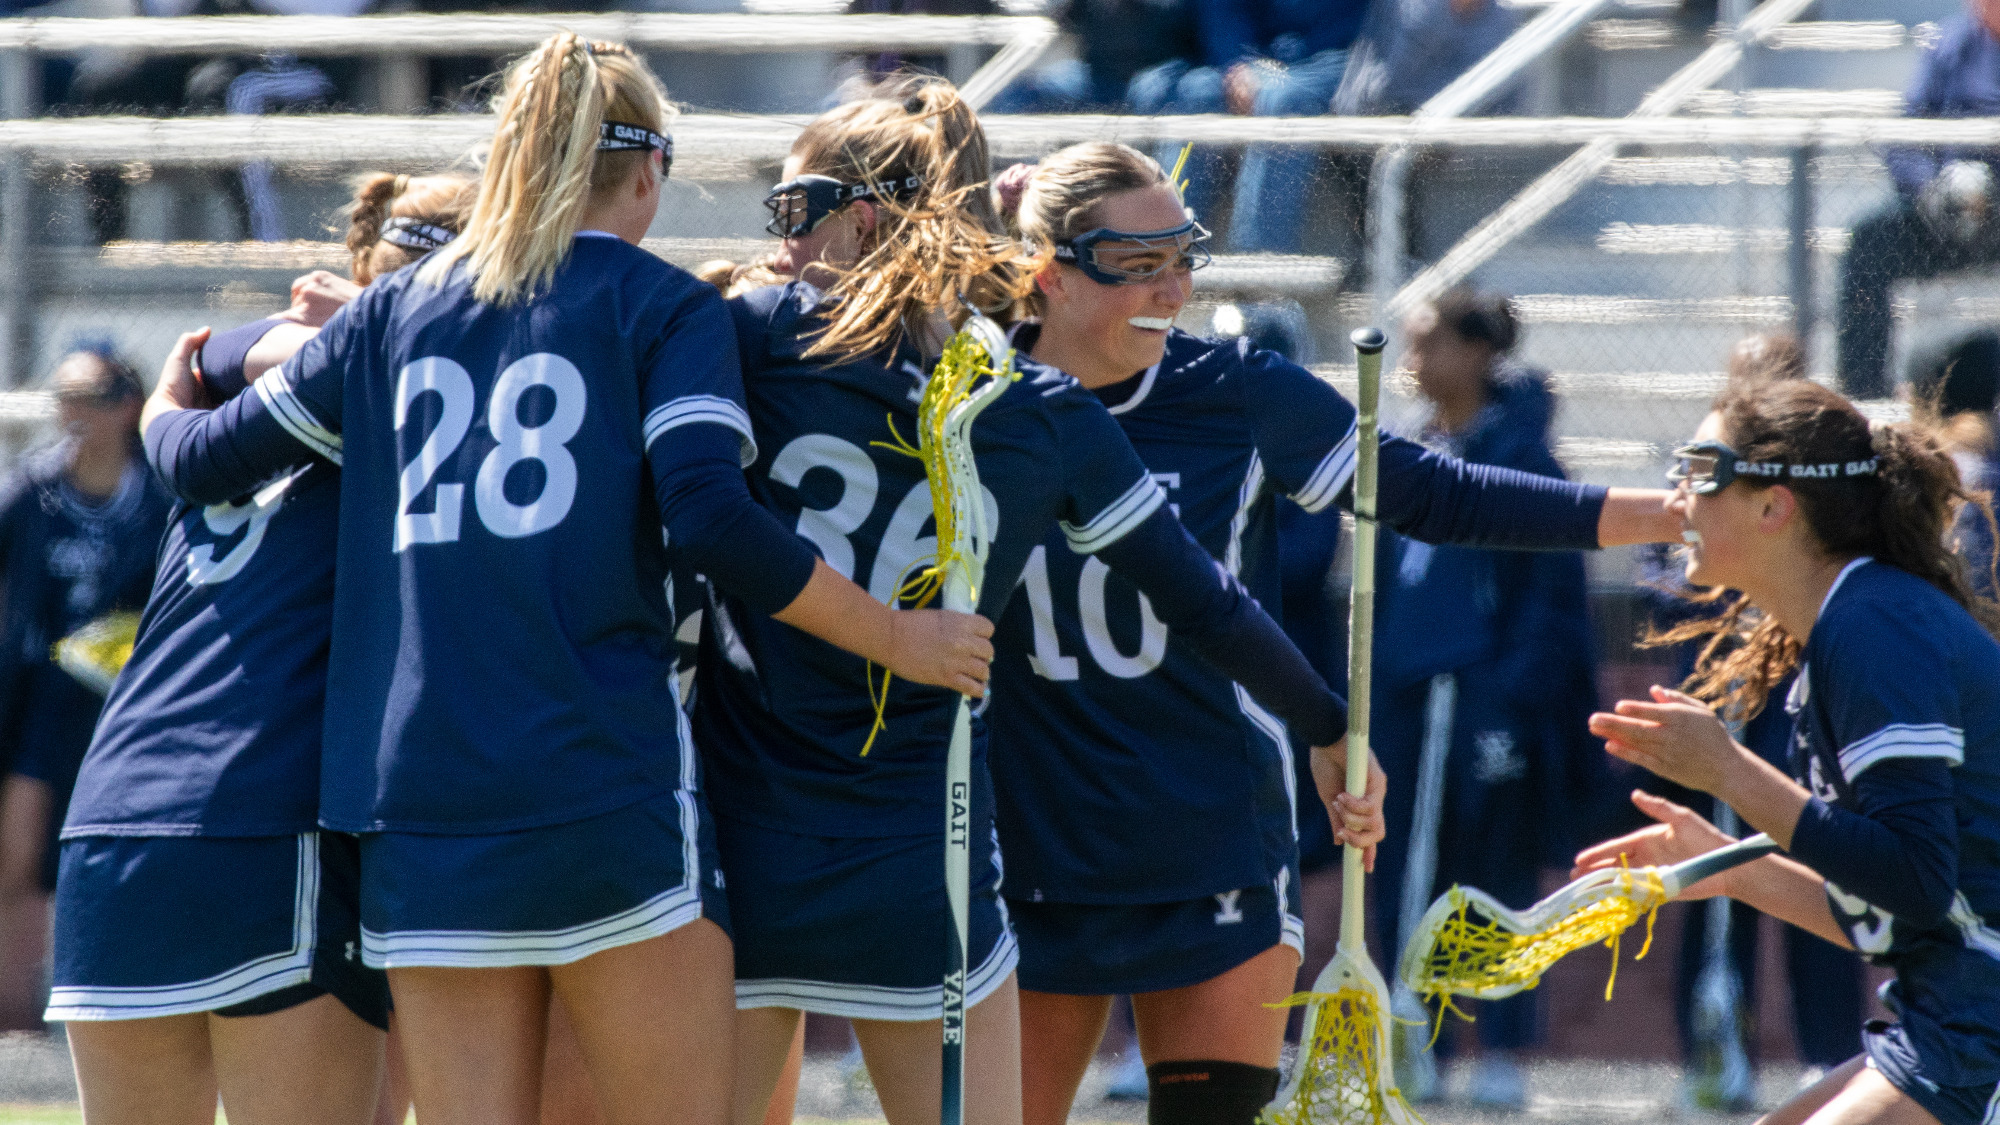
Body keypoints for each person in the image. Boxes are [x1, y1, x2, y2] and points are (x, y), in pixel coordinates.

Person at [137, 34, 992, 1125]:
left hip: (417, 799)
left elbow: (200, 457)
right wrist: (896, 637)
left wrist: (175, 385)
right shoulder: (661, 305)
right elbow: (711, 517)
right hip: (600, 777)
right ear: (646, 171)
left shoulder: (393, 312)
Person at [703, 77, 1381, 1125]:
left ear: (863, 219)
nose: (778, 243)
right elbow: (1204, 601)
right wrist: (1328, 723)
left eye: (793, 211)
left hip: (746, 834)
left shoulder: (736, 335)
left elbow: (704, 515)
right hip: (920, 854)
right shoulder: (1032, 400)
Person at [987, 142, 1682, 1125]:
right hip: (1027, 835)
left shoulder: (1233, 390)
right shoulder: (968, 399)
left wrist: (1665, 514)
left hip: (1210, 832)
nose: (1171, 291)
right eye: (1136, 266)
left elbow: (1436, 494)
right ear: (1048, 275)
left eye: (1182, 260)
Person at [45, 168, 474, 1125]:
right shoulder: (414, 401)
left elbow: (234, 350)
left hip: (112, 818)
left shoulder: (243, 381)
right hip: (261, 814)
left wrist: (164, 417)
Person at [1583, 376, 2000, 1125]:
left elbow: (1915, 880)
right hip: (1957, 1011)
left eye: (1702, 470)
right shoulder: (1853, 621)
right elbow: (1900, 916)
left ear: (1775, 506)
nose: (1679, 497)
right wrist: (1729, 867)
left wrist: (1729, 770)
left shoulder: (1875, 628)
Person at [1363, 289, 1597, 1108]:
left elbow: (1549, 598)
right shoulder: (1409, 447)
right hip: (1405, 693)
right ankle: (1412, 1033)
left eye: (1429, 343)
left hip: (1482, 698)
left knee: (1490, 872)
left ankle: (1499, 1044)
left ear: (1476, 352)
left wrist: (1508, 699)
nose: (1414, 361)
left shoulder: (1521, 458)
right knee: (1402, 868)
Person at [1634, 331, 1866, 1108]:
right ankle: (1710, 1051)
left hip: (1793, 707)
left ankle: (1826, 1049)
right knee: (1707, 878)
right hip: (1714, 699)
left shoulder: (1815, 487)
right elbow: (1661, 572)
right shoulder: (1703, 472)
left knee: (1814, 862)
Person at [0, 350, 172, 1030]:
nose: (71, 412)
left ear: (127, 406)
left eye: (88, 396)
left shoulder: (161, 499)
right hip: (41, 700)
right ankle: (16, 1024)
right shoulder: (30, 492)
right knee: (18, 854)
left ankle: (117, 1012)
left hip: (127, 707)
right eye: (63, 396)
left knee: (121, 854)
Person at [1836, 0, 2000, 399]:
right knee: (1871, 240)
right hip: (1945, 212)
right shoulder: (1948, 44)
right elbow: (1904, 136)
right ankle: (1866, 394)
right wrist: (1931, 190)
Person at [1126, 0, 1367, 254]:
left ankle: (1260, 265)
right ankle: (1169, 250)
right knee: (1195, 95)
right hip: (1267, 59)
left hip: (1342, 58)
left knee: (1282, 100)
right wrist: (1238, 64)